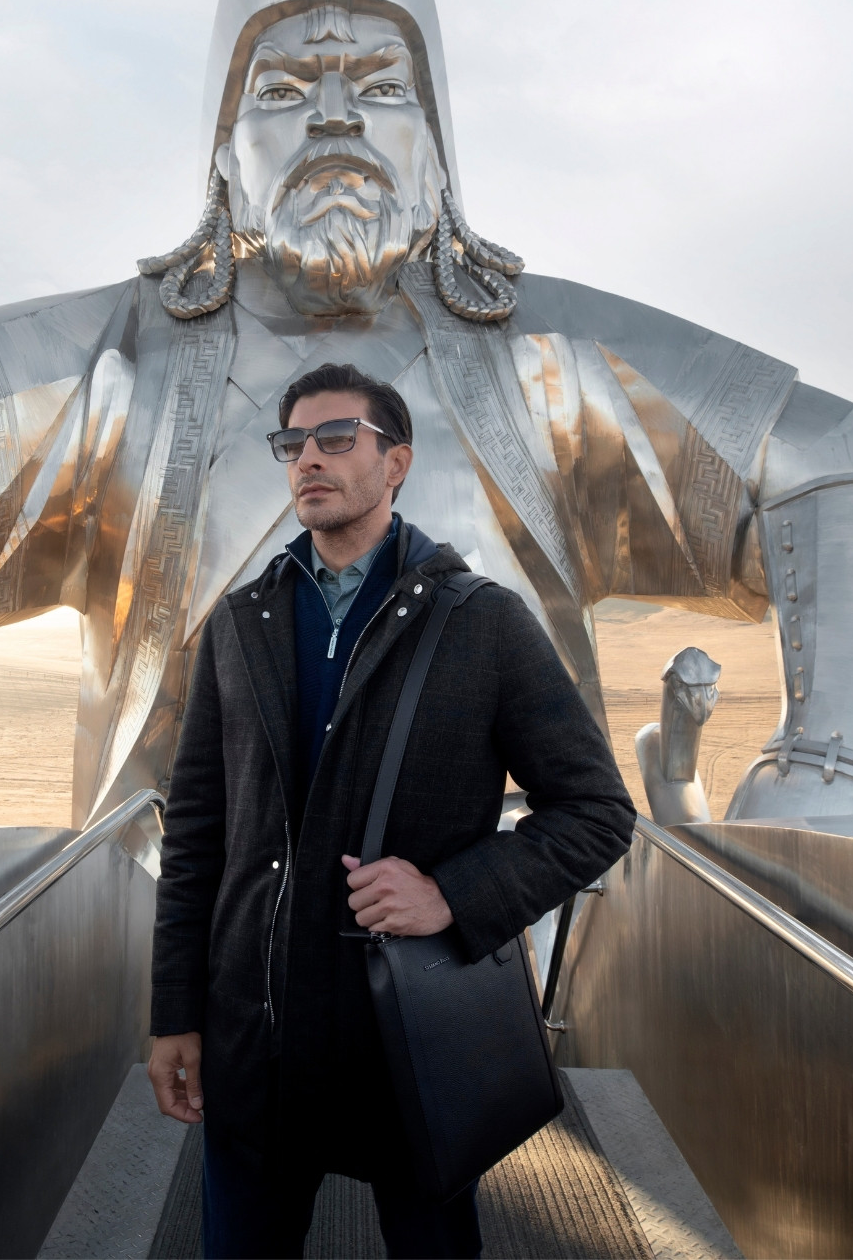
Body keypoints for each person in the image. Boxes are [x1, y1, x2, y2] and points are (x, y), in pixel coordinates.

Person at [0, 0, 853, 830]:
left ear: (440, 153)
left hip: (519, 948)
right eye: (283, 88)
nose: (336, 115)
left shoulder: (553, 359)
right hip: (202, 934)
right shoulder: (121, 366)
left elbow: (838, 466)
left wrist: (833, 765)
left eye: (384, 85)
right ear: (224, 159)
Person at [146, 360, 636, 1259]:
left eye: (338, 439)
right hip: (257, 1035)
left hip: (409, 1038)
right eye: (293, 443)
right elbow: (199, 835)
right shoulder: (239, 622)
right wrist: (176, 1012)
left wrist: (453, 893)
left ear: (397, 463)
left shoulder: (482, 622)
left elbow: (598, 811)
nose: (309, 460)